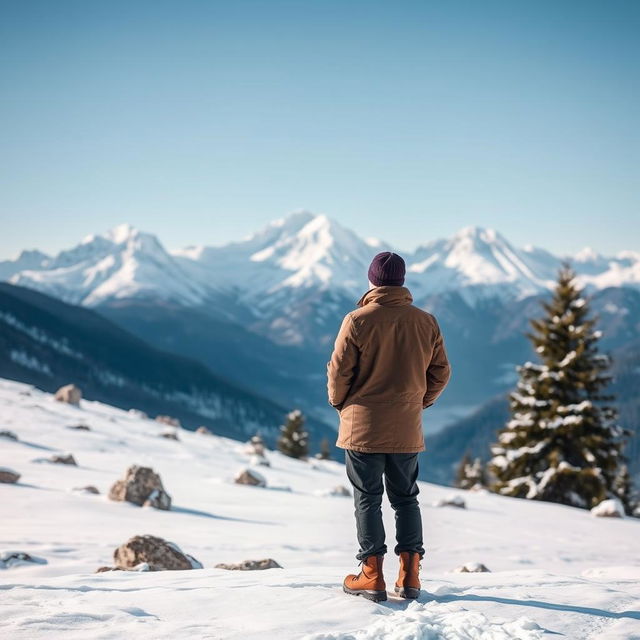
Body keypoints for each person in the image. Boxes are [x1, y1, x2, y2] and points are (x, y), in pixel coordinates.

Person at [326, 251, 451, 602]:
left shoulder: (357, 320)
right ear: (402, 281)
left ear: (372, 281)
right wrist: (419, 402)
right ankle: (409, 575)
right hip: (406, 427)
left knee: (367, 500)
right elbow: (441, 372)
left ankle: (371, 575)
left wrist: (341, 404)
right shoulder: (426, 321)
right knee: (406, 499)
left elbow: (338, 372)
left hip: (362, 426)